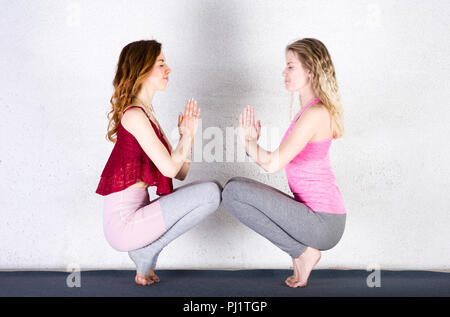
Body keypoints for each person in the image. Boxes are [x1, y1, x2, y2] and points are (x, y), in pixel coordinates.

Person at [95, 40, 222, 286]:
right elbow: (170, 169)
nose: (169, 69)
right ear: (141, 69)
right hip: (123, 226)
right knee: (210, 191)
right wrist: (185, 136)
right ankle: (146, 253)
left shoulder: (146, 114)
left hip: (136, 219)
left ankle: (146, 253)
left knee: (212, 192)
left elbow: (181, 172)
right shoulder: (134, 116)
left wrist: (189, 135)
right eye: (161, 64)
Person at [222, 38, 346, 288]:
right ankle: (301, 252)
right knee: (234, 186)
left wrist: (248, 144)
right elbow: (274, 160)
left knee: (234, 193)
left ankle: (303, 252)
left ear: (310, 71)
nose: (284, 72)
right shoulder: (311, 110)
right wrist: (252, 145)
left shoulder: (315, 114)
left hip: (323, 222)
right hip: (318, 217)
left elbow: (272, 164)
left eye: (290, 66)